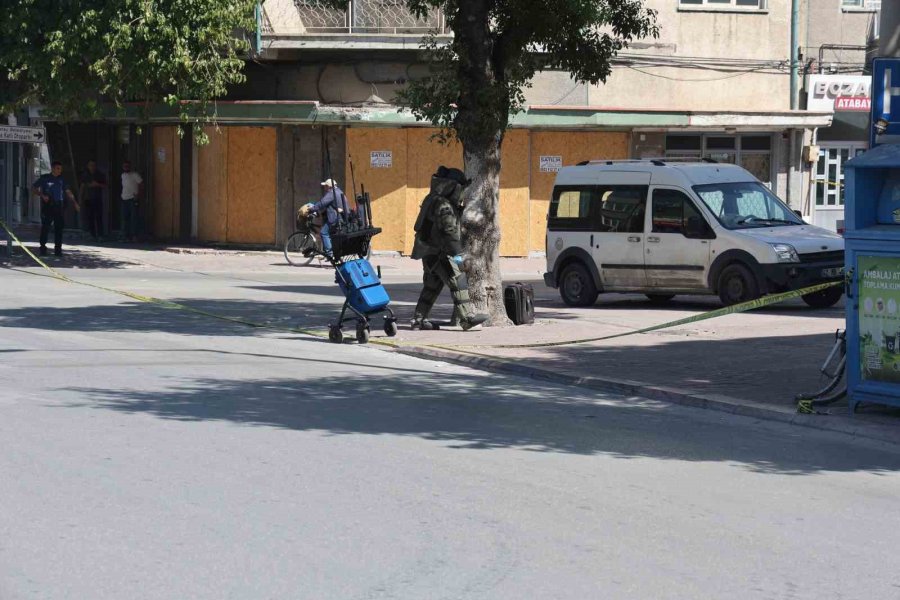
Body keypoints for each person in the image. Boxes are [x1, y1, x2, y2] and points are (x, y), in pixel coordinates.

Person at [410, 166, 488, 331]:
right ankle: (467, 319)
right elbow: (449, 232)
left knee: (432, 285)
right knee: (458, 281)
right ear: (452, 187)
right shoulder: (444, 206)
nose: (462, 193)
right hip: (441, 253)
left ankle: (418, 319)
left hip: (429, 252)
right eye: (461, 189)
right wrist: (459, 256)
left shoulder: (432, 199)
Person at [32, 161, 79, 257]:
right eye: (58, 168)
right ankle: (43, 249)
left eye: (60, 169)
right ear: (53, 168)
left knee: (59, 229)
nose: (60, 170)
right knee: (45, 227)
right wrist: (42, 195)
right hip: (48, 206)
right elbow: (33, 188)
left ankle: (58, 250)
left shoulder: (61, 179)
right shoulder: (45, 178)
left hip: (59, 206)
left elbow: (68, 191)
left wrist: (75, 203)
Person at [307, 178, 348, 257]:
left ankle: (329, 253)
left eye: (325, 186)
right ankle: (332, 251)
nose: (324, 188)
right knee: (331, 233)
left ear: (329, 186)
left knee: (324, 232)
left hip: (336, 218)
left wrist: (312, 209)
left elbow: (322, 203)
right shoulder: (339, 191)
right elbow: (329, 205)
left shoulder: (332, 193)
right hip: (341, 216)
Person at [80, 159, 107, 241]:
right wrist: (80, 198)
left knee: (99, 217)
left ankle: (100, 235)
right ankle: (93, 235)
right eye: (90, 165)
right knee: (90, 217)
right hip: (88, 199)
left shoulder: (100, 175)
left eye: (94, 165)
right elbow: (82, 187)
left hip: (97, 198)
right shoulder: (85, 175)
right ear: (88, 166)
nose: (92, 167)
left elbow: (105, 185)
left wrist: (97, 184)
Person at [120, 160, 143, 242]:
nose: (126, 167)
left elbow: (141, 184)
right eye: (124, 166)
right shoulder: (122, 175)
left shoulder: (135, 175)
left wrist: (138, 195)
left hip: (133, 199)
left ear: (130, 166)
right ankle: (125, 236)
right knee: (124, 218)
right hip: (124, 199)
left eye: (127, 166)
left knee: (134, 218)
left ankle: (134, 236)